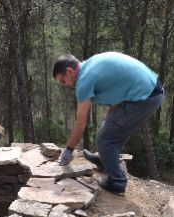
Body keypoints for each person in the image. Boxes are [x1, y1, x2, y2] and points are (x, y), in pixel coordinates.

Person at [53, 52, 164, 195]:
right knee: (109, 131)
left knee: (105, 139)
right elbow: (116, 97)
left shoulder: (84, 81)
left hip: (146, 96)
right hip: (151, 90)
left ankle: (117, 182)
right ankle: (105, 160)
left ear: (69, 71)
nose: (65, 85)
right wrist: (108, 123)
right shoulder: (90, 64)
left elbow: (81, 123)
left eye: (63, 81)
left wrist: (68, 150)